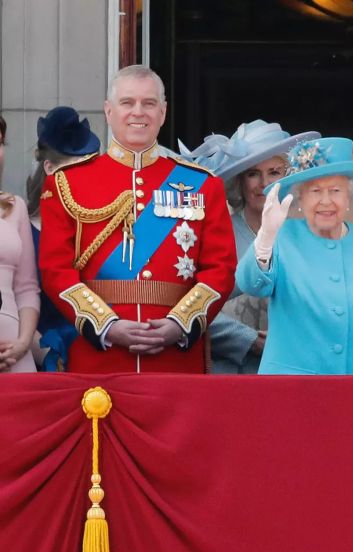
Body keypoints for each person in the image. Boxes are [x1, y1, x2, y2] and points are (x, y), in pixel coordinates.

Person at [39, 65, 236, 373]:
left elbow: (220, 268)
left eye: (149, 103)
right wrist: (106, 325)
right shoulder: (67, 183)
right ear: (108, 110)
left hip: (176, 360)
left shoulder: (203, 184)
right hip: (100, 359)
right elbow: (55, 270)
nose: (138, 112)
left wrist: (179, 324)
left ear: (163, 112)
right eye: (127, 102)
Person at [235, 136, 353, 375]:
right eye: (315, 191)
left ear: (349, 196)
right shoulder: (281, 237)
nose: (326, 201)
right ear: (300, 197)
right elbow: (250, 284)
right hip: (291, 395)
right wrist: (265, 237)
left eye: (335, 190)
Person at [181, 120, 319, 374]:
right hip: (229, 375)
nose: (263, 183)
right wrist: (247, 339)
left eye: (274, 172)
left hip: (294, 372)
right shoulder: (216, 234)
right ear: (239, 182)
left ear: (289, 178)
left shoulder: (307, 238)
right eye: (253, 173)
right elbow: (188, 305)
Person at [25, 106, 101, 371]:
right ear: (49, 168)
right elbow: (18, 297)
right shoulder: (22, 229)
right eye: (75, 167)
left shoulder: (107, 225)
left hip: (102, 351)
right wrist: (44, 351)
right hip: (43, 359)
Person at [0, 116, 41, 373]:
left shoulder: (15, 207)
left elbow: (26, 288)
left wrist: (24, 342)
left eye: (1, 143)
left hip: (15, 357)